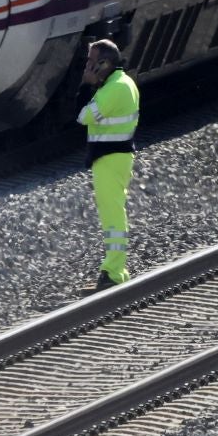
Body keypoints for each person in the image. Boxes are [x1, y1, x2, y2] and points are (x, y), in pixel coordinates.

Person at [77, 38, 140, 289]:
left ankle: (114, 273)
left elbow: (83, 116)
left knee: (112, 214)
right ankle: (116, 271)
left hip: (111, 158)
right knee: (113, 212)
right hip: (113, 157)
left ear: (104, 63)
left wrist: (86, 86)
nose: (88, 67)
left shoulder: (115, 89)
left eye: (92, 62)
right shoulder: (121, 83)